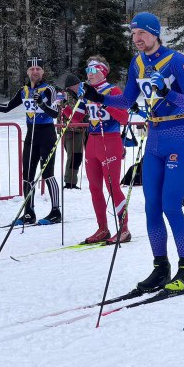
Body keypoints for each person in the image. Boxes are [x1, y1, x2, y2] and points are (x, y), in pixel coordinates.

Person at [88, 12, 184, 293]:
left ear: (155, 33)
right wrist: (100, 97)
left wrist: (168, 93)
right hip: (154, 138)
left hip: (179, 134)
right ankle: (160, 267)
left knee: (171, 206)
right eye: (133, 34)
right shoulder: (137, 62)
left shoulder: (176, 60)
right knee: (151, 208)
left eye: (142, 34)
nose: (137, 39)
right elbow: (127, 99)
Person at [0, 58, 62, 225]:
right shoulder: (24, 90)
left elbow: (55, 114)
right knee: (27, 175)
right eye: (32, 69)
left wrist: (42, 104)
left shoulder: (49, 89)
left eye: (38, 69)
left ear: (43, 72)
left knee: (47, 174)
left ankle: (56, 211)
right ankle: (29, 212)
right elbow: (6, 108)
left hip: (46, 134)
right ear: (27, 72)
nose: (35, 72)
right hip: (30, 135)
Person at [62, 57, 131, 244]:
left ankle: (124, 229)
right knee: (94, 188)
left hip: (109, 141)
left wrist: (104, 102)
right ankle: (103, 228)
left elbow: (124, 118)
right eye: (87, 70)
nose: (89, 74)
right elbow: (77, 118)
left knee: (112, 187)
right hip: (91, 143)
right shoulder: (88, 93)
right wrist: (62, 108)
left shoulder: (113, 91)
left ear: (103, 72)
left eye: (93, 70)